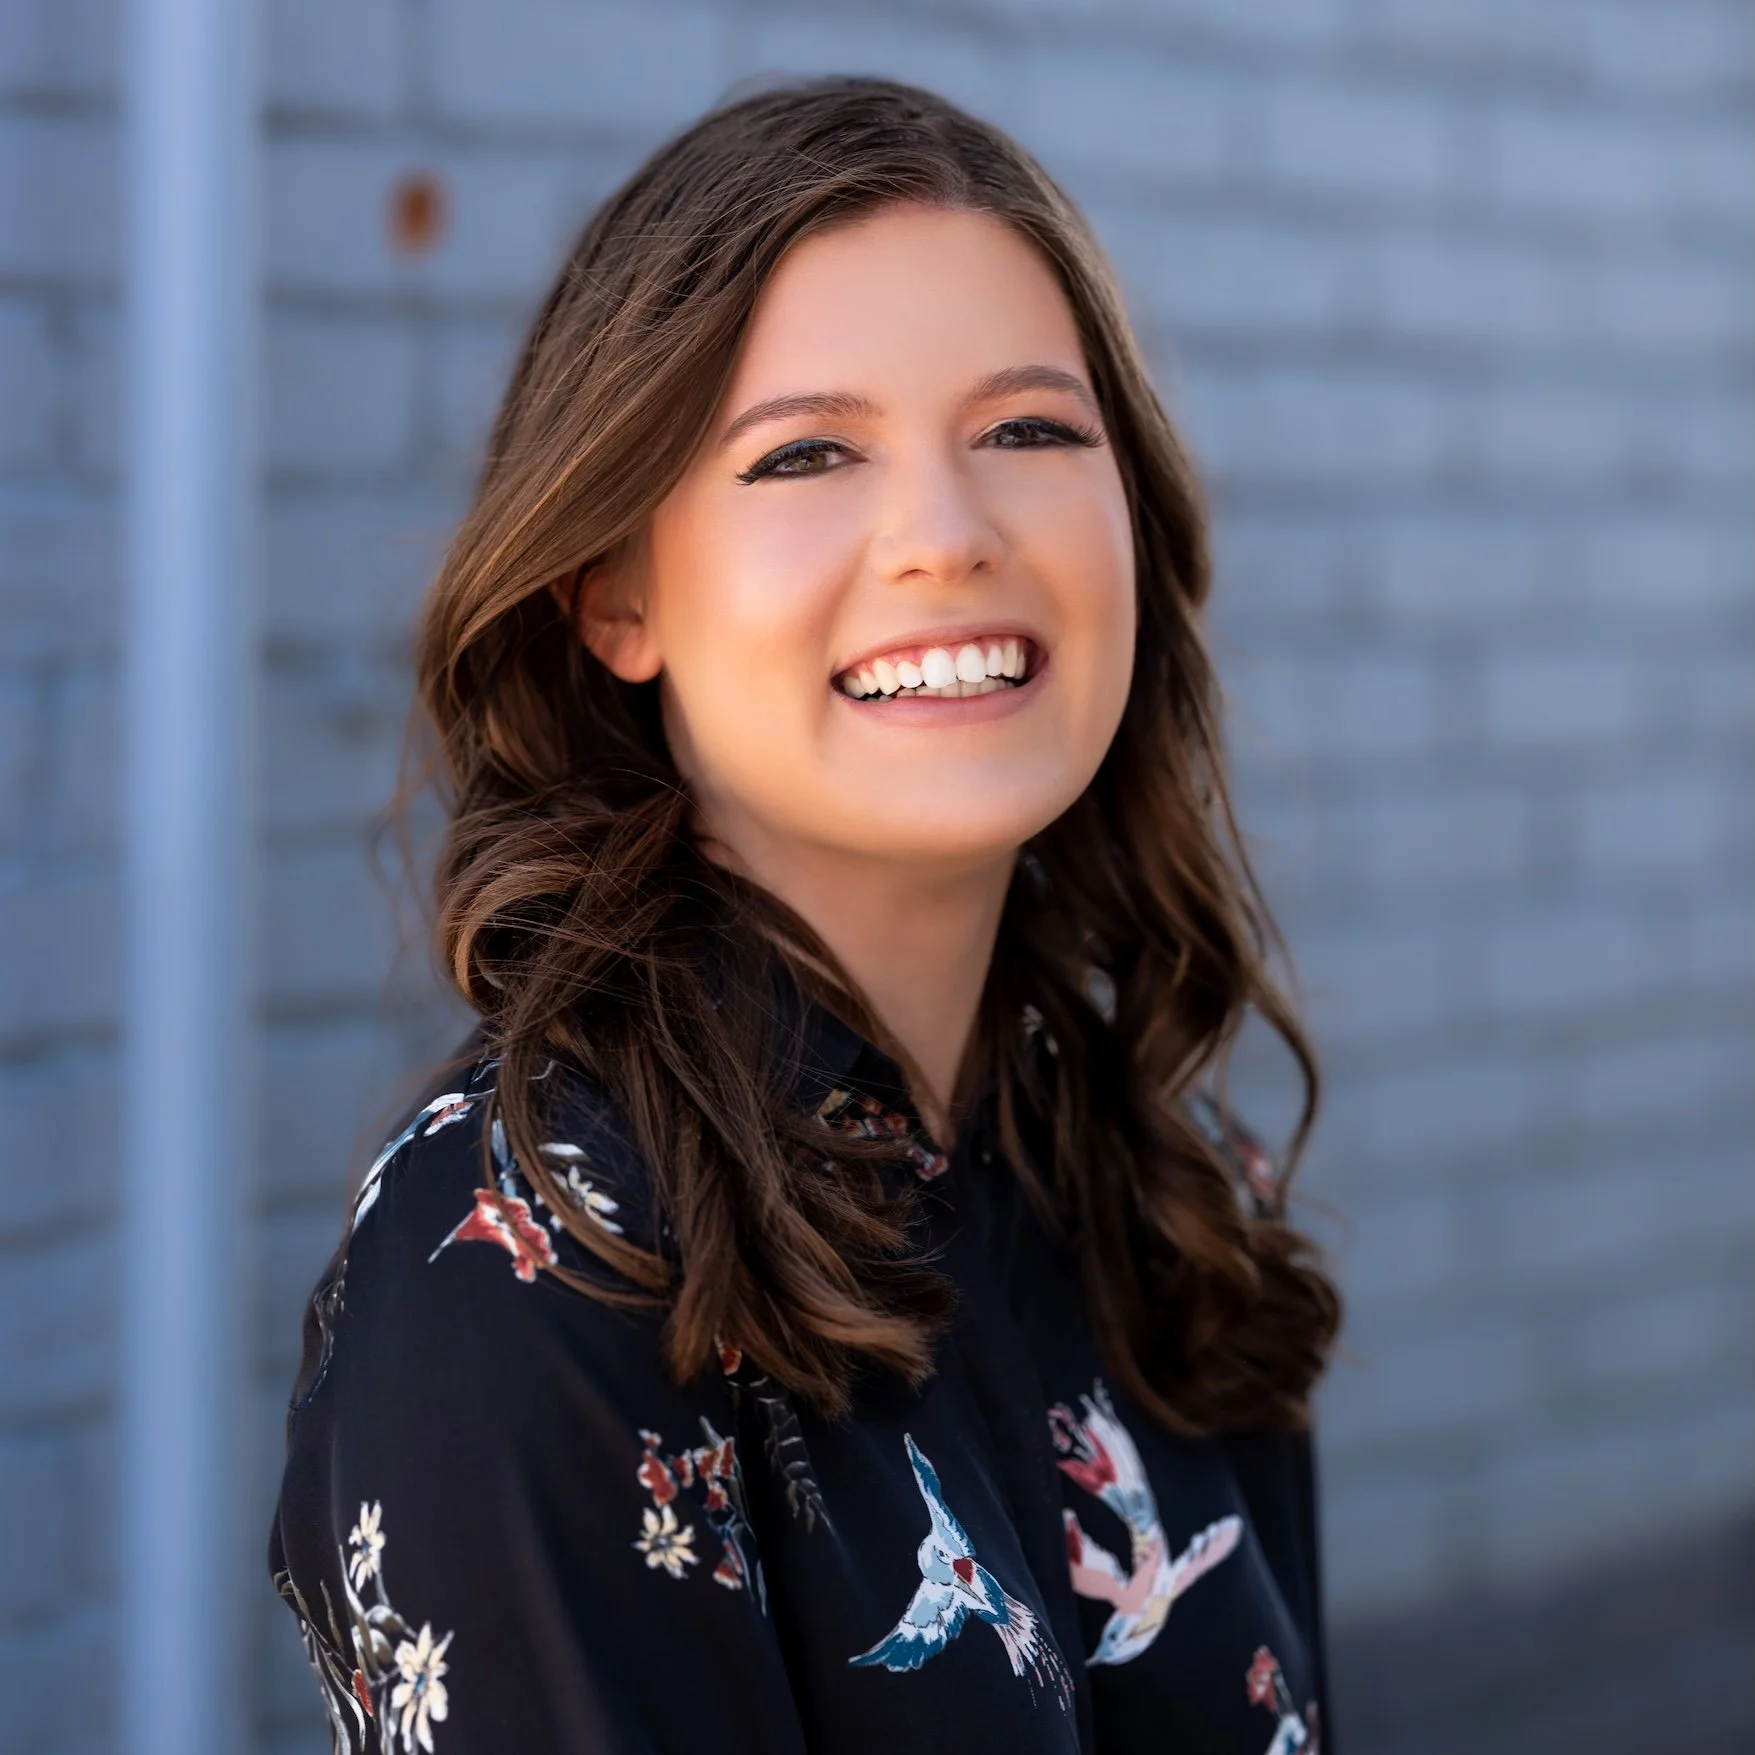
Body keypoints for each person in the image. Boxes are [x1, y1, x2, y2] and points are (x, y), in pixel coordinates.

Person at [269, 77, 1342, 1755]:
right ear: (613, 590)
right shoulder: (525, 1270)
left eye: (1030, 431)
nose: (944, 535)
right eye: (808, 451)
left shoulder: (1151, 1186)